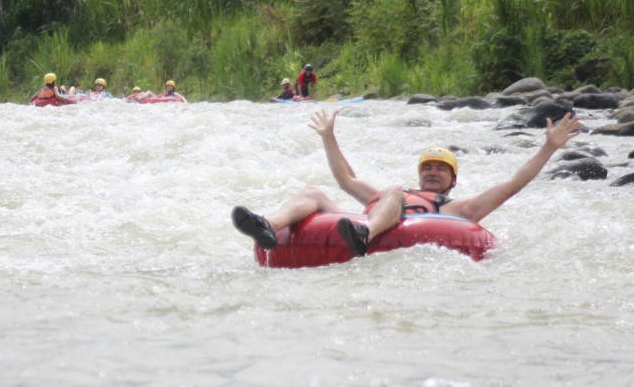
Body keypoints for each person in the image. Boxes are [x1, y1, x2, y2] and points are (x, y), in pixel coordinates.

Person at [231, 108, 582, 257]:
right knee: (312, 192)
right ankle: (266, 226)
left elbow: (511, 185)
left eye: (440, 169)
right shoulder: (394, 191)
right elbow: (346, 178)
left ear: (452, 181)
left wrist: (548, 147)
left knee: (393, 192)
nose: (432, 172)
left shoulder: (455, 207)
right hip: (358, 223)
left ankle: (366, 234)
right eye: (427, 167)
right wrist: (328, 136)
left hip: (376, 230)